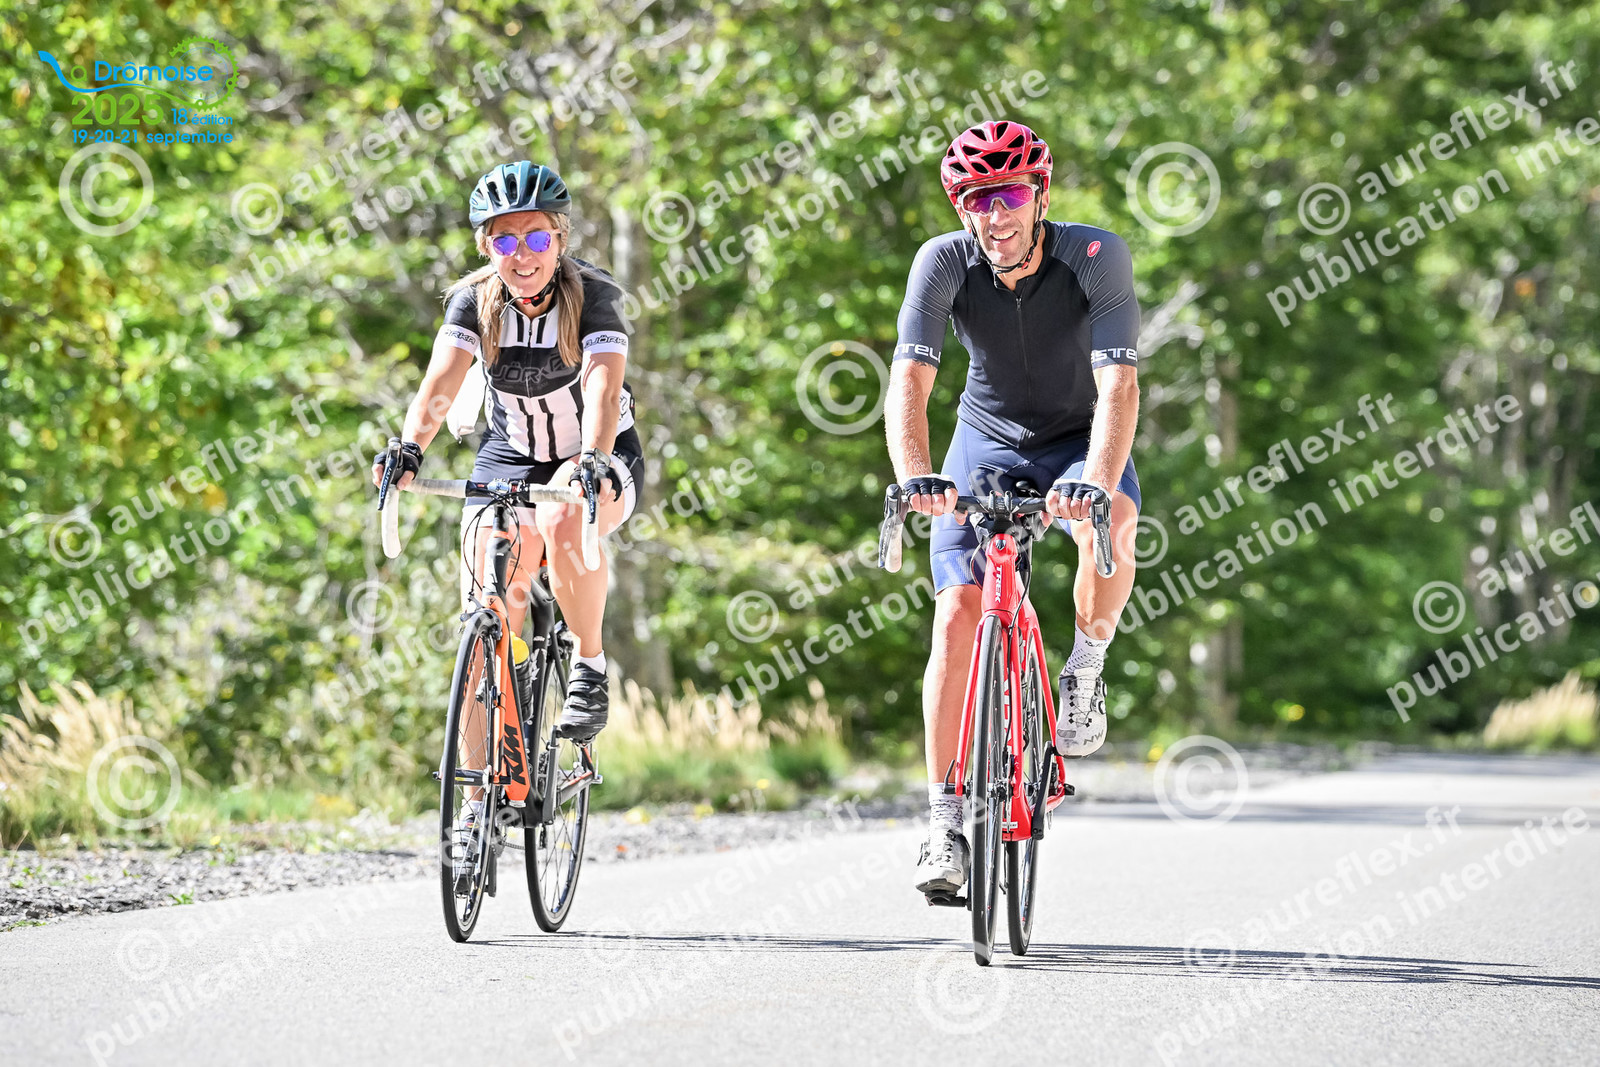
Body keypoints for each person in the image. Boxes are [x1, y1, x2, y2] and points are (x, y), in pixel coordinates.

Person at [884, 121, 1143, 897]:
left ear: (1040, 196)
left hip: (1078, 439)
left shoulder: (1095, 255)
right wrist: (917, 476)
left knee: (1113, 520)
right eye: (976, 200)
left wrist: (1097, 481)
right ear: (959, 208)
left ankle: (1085, 665)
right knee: (956, 613)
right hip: (986, 443)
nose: (994, 216)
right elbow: (909, 382)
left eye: (1008, 196)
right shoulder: (942, 261)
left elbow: (1119, 387)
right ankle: (943, 823)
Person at [371, 159, 642, 744]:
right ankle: (478, 791)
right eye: (505, 241)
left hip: (596, 453)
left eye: (537, 238)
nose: (523, 255)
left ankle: (589, 667)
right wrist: (409, 449)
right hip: (509, 454)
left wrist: (592, 461)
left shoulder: (595, 296)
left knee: (563, 513)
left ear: (561, 240)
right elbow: (440, 383)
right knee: (484, 625)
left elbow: (603, 388)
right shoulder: (474, 302)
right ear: (485, 247)